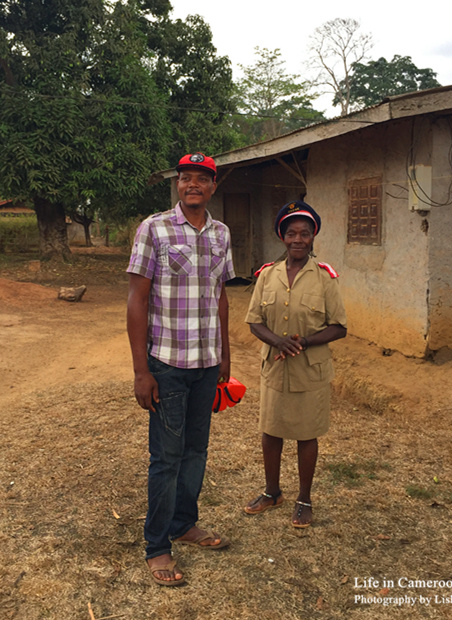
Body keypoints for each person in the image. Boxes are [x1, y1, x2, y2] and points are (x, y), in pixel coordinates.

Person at [126, 152, 235, 586]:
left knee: (196, 452)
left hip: (207, 363)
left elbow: (221, 295)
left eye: (201, 179)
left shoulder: (222, 233)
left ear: (213, 186)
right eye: (186, 178)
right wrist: (141, 370)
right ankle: (158, 546)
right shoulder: (153, 228)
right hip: (167, 363)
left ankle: (184, 523)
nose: (193, 185)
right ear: (178, 185)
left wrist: (226, 355)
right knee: (166, 457)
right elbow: (137, 298)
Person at [243, 200, 347, 528]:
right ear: (282, 237)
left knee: (306, 435)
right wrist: (277, 340)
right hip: (275, 367)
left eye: (304, 233)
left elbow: (339, 326)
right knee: (271, 431)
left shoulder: (325, 278)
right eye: (291, 233)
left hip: (310, 371)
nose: (298, 239)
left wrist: (305, 341)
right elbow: (254, 320)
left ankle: (304, 498)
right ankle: (272, 492)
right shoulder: (267, 275)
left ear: (313, 236)